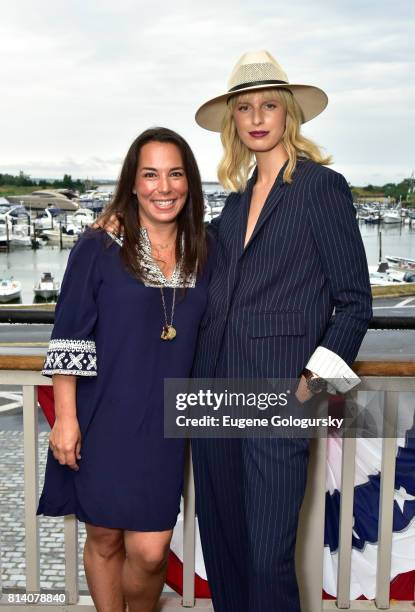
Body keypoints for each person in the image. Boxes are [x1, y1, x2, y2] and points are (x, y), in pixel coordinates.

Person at [190, 50, 373, 612]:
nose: (256, 117)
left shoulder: (322, 187)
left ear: (288, 113)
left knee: (268, 555)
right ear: (233, 123)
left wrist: (308, 391)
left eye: (269, 104)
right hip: (213, 391)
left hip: (277, 401)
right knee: (222, 545)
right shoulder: (233, 203)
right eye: (244, 108)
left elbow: (355, 304)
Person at [37, 127, 212, 612]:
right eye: (150, 174)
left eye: (175, 174)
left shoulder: (206, 251)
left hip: (164, 426)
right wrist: (67, 419)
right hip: (103, 416)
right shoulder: (97, 248)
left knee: (151, 550)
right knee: (106, 538)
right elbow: (69, 336)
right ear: (132, 185)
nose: (163, 187)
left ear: (190, 182)